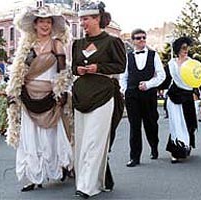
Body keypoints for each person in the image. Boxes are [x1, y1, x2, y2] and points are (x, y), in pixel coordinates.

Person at [6, 6, 73, 191]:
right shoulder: (26, 46)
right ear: (35, 25)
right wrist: (13, 94)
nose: (45, 25)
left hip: (50, 98)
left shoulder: (56, 44)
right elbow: (19, 73)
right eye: (42, 21)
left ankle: (57, 168)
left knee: (51, 137)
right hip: (28, 98)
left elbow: (63, 73)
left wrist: (61, 92)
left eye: (49, 22)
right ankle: (35, 176)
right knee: (30, 138)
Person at [71, 1, 126, 198]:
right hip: (80, 96)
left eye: (85, 19)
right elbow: (72, 67)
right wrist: (77, 69)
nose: (82, 23)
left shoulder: (112, 42)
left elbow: (120, 66)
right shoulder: (77, 44)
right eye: (81, 19)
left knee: (94, 141)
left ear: (97, 19)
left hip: (103, 95)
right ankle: (87, 179)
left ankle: (87, 186)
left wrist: (99, 68)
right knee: (81, 142)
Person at [120, 28, 166, 167]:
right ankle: (134, 157)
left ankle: (154, 146)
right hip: (132, 95)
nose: (142, 40)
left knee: (151, 123)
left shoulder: (153, 55)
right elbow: (123, 76)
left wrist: (149, 84)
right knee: (134, 126)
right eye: (138, 38)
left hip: (149, 94)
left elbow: (161, 75)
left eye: (144, 38)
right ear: (133, 41)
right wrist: (125, 90)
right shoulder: (128, 56)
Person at [165, 36, 199, 163]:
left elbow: (197, 80)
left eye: (187, 48)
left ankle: (186, 145)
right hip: (174, 96)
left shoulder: (192, 63)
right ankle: (175, 151)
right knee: (176, 124)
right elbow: (165, 79)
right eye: (183, 48)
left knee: (188, 122)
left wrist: (198, 92)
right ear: (178, 49)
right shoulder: (171, 64)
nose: (186, 50)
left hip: (188, 96)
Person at [0, 68, 7, 135]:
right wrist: (1, 92)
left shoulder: (4, 82)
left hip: (4, 100)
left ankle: (3, 129)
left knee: (4, 114)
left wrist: (4, 92)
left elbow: (7, 91)